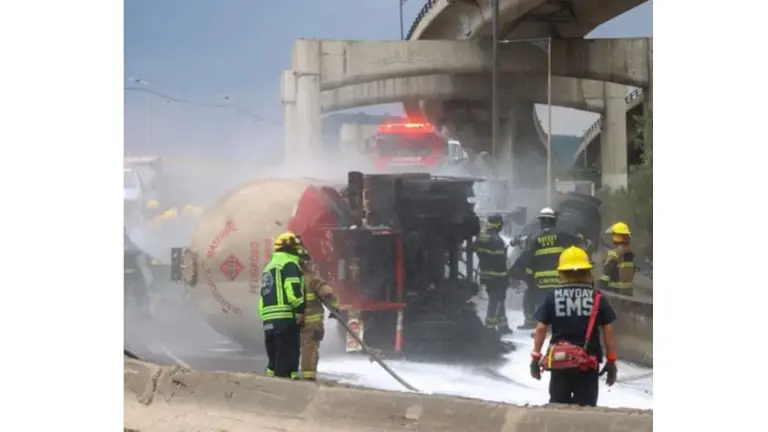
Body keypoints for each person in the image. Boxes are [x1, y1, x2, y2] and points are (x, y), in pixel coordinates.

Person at [529, 246, 619, 407]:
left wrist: (536, 357)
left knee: (558, 406)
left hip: (559, 361)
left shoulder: (552, 296)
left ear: (561, 272)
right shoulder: (597, 297)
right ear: (587, 272)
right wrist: (611, 361)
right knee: (586, 407)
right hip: (588, 362)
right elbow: (608, 331)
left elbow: (541, 328)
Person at [517, 207, 583, 329]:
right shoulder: (561, 235)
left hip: (541, 281)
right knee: (559, 303)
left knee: (543, 304)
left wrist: (528, 279)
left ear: (541, 221)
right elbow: (578, 241)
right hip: (558, 279)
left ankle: (543, 328)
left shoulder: (535, 238)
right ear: (553, 221)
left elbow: (529, 261)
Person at [259, 232, 307, 379]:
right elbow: (292, 290)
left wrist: (265, 316)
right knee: (287, 359)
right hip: (285, 318)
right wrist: (300, 310)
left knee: (273, 360)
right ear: (290, 247)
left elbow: (264, 294)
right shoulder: (289, 264)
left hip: (268, 319)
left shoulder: (269, 266)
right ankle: (287, 394)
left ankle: (269, 390)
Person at [297, 251, 340, 381]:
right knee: (310, 349)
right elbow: (328, 294)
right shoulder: (313, 279)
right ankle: (308, 378)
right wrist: (335, 308)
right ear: (306, 263)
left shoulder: (291, 279)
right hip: (311, 323)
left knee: (292, 348)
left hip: (295, 320)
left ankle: (287, 375)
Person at [475, 215, 513, 335]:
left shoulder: (481, 237)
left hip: (486, 274)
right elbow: (500, 261)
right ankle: (489, 327)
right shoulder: (496, 240)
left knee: (498, 299)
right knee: (496, 300)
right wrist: (505, 277)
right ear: (498, 224)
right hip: (497, 275)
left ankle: (502, 325)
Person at [600, 222, 636, 296]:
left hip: (614, 293)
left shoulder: (615, 254)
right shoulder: (629, 253)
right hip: (627, 293)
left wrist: (600, 286)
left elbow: (606, 276)